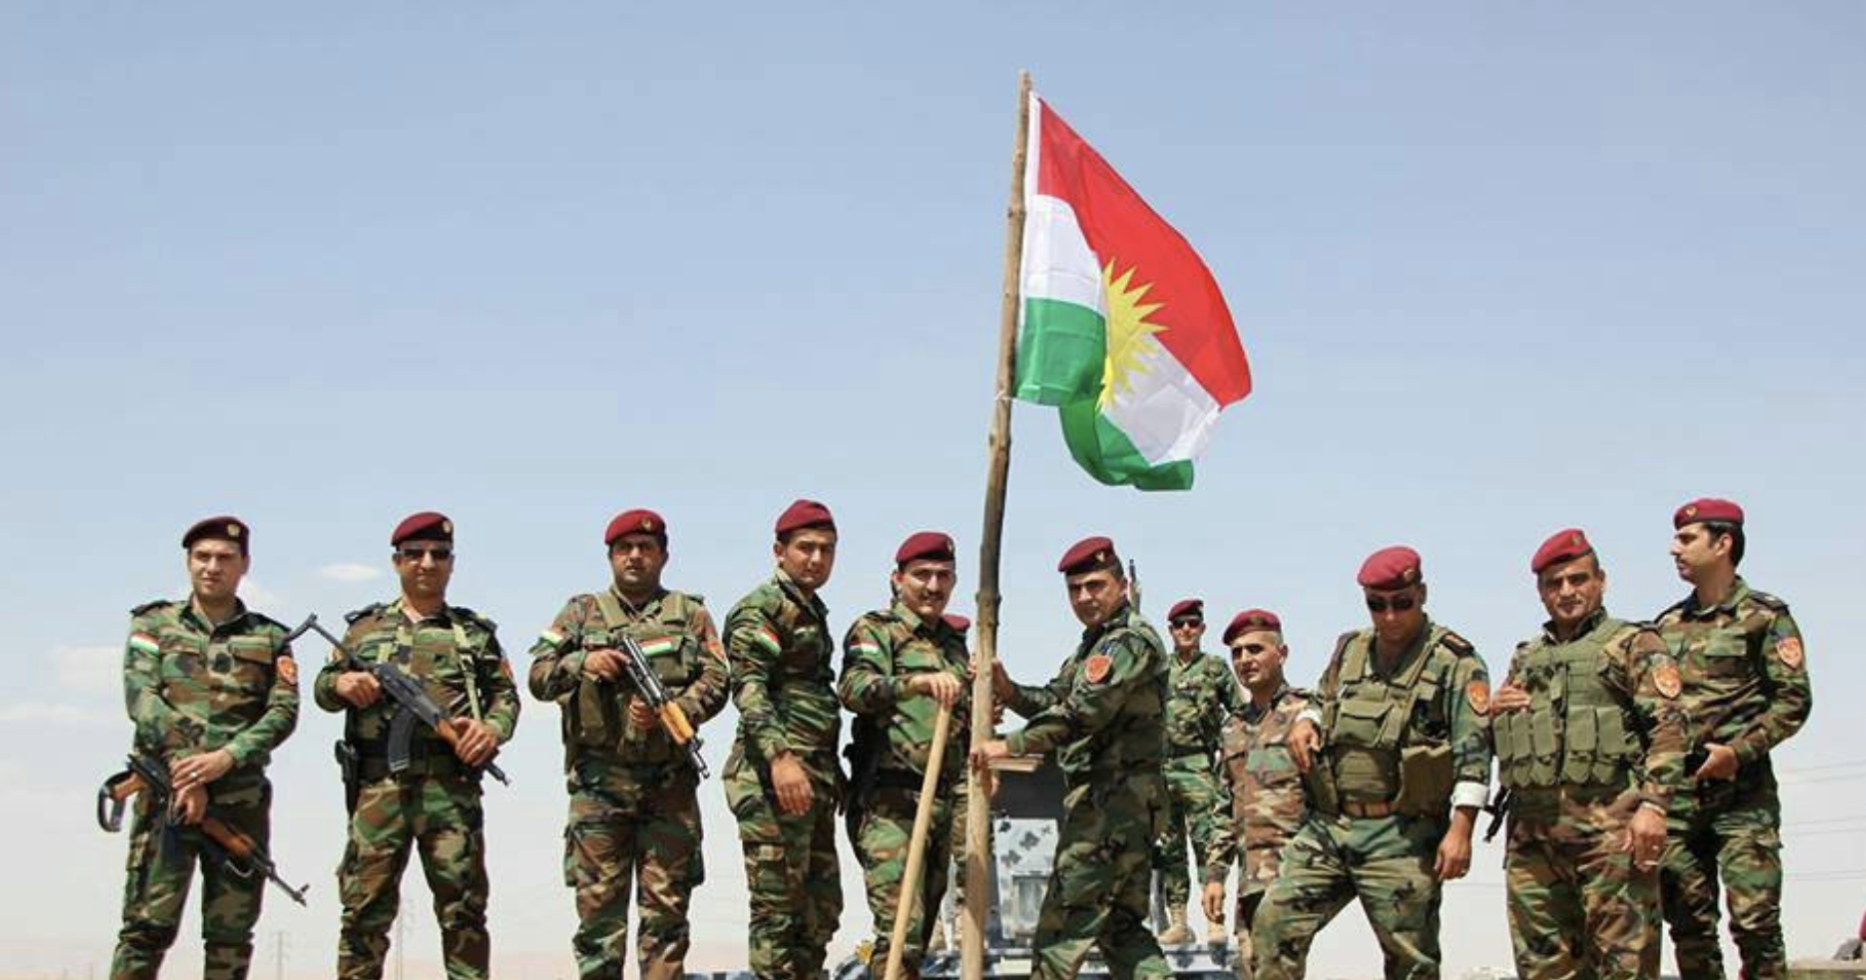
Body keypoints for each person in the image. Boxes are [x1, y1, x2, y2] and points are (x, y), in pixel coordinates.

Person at [1255, 546, 1492, 980]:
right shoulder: (1350, 649)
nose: (1389, 616)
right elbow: (1325, 700)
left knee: (1411, 963)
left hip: (1401, 835)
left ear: (1421, 593)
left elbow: (1474, 752)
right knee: (1274, 923)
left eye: (1401, 603)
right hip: (1332, 826)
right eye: (1376, 605)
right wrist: (1306, 721)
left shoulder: (1455, 661)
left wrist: (1461, 831)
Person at [315, 511, 521, 980]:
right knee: (364, 912)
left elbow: (506, 697)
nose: (427, 563)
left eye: (439, 555)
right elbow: (323, 688)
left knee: (464, 912)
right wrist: (343, 684)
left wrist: (491, 731)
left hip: (450, 789)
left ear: (452, 564)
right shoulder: (363, 630)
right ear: (397, 562)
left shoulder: (473, 634)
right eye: (415, 555)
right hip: (377, 788)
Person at [526, 508, 729, 980]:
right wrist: (583, 663)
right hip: (599, 788)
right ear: (611, 556)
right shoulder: (580, 613)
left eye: (646, 548)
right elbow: (537, 675)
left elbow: (719, 677)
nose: (635, 556)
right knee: (599, 923)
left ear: (664, 555)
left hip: (669, 788)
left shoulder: (691, 614)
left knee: (667, 919)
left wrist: (676, 710)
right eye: (625, 549)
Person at [1490, 528, 1687, 980]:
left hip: (1610, 838)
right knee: (1542, 969)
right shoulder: (1526, 658)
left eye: (1578, 580)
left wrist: (1654, 807)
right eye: (1554, 584)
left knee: (1623, 967)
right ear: (1540, 592)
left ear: (1602, 580)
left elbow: (1671, 729)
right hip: (1534, 842)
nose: (1567, 592)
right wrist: (1494, 716)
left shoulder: (1634, 644)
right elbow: (1505, 743)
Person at [974, 536, 1171, 980]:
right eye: (1075, 589)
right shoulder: (1093, 647)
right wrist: (1010, 692)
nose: (1084, 597)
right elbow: (1057, 698)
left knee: (1058, 938)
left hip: (1112, 807)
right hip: (1121, 807)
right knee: (1122, 932)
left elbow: (1082, 713)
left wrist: (1011, 746)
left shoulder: (1127, 643)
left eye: (1095, 585)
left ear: (1122, 585)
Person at [112, 516, 300, 980]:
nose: (212, 567)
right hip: (165, 800)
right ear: (188, 562)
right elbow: (143, 699)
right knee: (144, 931)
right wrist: (186, 770)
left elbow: (282, 714)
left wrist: (225, 759)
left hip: (239, 805)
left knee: (230, 939)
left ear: (244, 565)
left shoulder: (271, 637)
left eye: (224, 558)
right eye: (203, 557)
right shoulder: (152, 624)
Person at [1656, 499, 1812, 980]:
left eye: (1686, 539)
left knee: (1756, 922)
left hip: (1744, 799)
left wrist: (1737, 753)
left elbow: (1794, 701)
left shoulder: (1764, 617)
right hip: (1681, 804)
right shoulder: (1665, 627)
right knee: (1689, 927)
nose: (1673, 549)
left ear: (1723, 544)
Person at [839, 531, 973, 979]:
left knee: (919, 939)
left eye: (943, 576)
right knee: (901, 931)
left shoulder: (954, 644)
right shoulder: (876, 629)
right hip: (890, 805)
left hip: (941, 803)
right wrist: (914, 683)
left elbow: (964, 720)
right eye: (922, 575)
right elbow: (854, 689)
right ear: (898, 579)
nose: (933, 586)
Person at [721, 499, 845, 980]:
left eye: (827, 550)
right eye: (806, 548)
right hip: (773, 781)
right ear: (780, 551)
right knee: (778, 916)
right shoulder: (763, 608)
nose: (816, 559)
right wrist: (780, 757)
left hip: (812, 782)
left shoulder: (811, 610)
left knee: (820, 911)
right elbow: (749, 688)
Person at [1201, 609, 1308, 980]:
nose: (1245, 660)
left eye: (1255, 650)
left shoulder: (1307, 714)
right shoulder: (1232, 727)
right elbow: (1224, 807)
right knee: (1250, 971)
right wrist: (1214, 874)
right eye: (1237, 653)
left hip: (1296, 875)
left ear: (1282, 653)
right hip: (1250, 883)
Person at [1156, 597, 1246, 944]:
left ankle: (1214, 921)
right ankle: (1178, 921)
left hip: (1199, 765)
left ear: (1202, 628)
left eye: (1193, 624)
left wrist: (1230, 756)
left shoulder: (1215, 668)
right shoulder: (1159, 668)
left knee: (1207, 841)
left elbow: (1237, 713)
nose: (1186, 631)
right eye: (1179, 625)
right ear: (1171, 631)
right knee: (1169, 848)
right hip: (1163, 768)